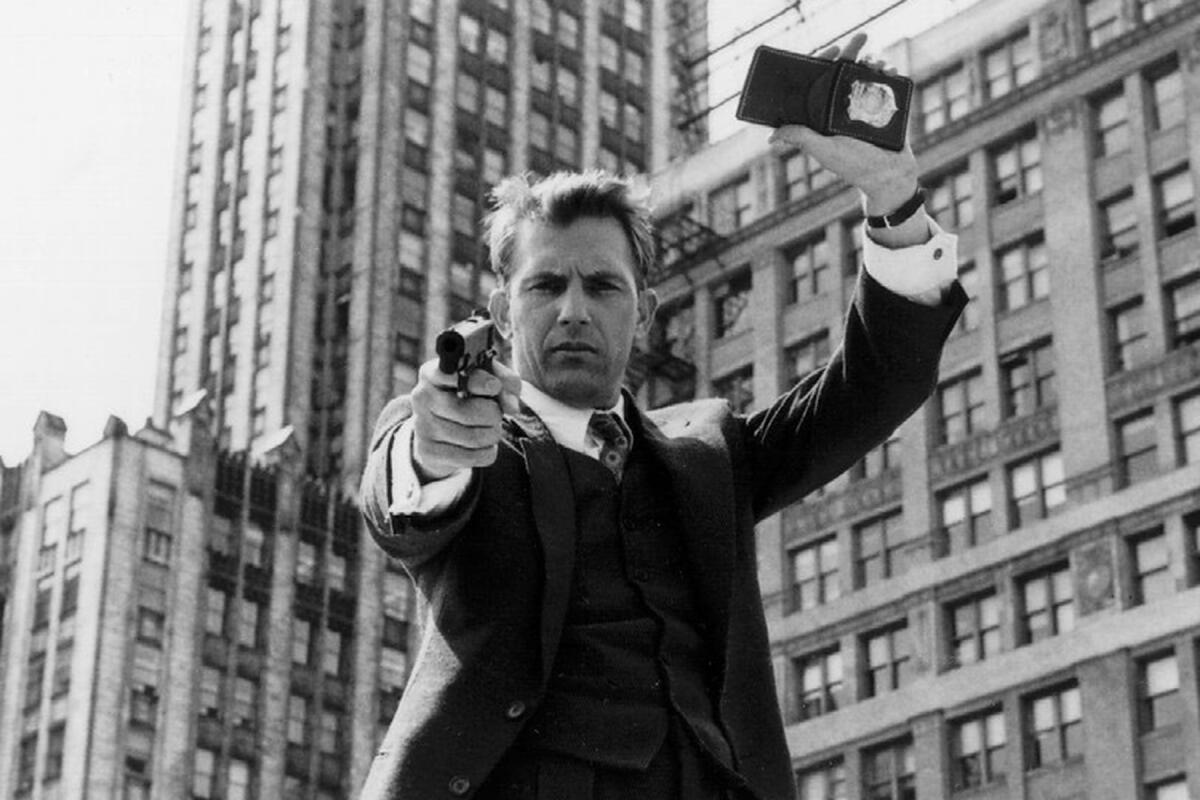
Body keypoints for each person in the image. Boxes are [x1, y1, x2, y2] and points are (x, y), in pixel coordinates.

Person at [359, 34, 966, 800]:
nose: (573, 310)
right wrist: (435, 445)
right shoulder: (470, 439)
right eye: (545, 286)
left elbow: (876, 385)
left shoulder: (712, 453)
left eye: (602, 287)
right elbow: (403, 495)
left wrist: (891, 196)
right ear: (501, 315)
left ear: (643, 313)